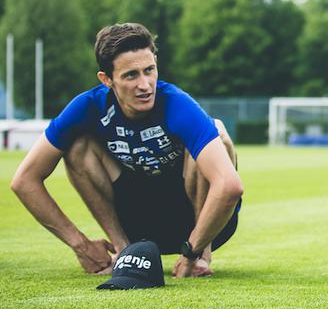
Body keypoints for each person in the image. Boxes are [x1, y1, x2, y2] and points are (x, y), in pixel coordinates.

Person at [10, 23, 244, 278]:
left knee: (217, 135)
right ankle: (124, 251)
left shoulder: (177, 104)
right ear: (106, 79)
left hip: (198, 223)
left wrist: (191, 251)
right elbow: (24, 181)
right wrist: (81, 245)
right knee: (77, 146)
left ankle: (201, 257)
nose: (145, 85)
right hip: (138, 223)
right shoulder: (87, 106)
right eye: (131, 75)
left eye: (149, 70)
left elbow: (230, 185)